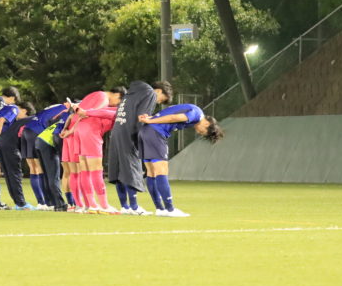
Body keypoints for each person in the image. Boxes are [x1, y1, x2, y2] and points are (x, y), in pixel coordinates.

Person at [138, 103, 224, 217]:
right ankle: (170, 209)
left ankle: (160, 209)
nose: (198, 132)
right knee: (161, 170)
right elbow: (174, 117)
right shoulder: (197, 114)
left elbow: (168, 113)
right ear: (207, 123)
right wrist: (151, 120)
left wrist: (150, 119)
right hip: (156, 132)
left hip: (146, 132)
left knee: (151, 172)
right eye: (202, 131)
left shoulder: (193, 117)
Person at [107, 81, 172, 215]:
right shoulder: (150, 93)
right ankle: (135, 207)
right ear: (159, 91)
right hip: (129, 133)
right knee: (131, 169)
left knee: (119, 170)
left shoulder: (131, 93)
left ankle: (125, 207)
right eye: (161, 99)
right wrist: (139, 139)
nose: (158, 102)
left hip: (116, 132)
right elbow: (142, 118)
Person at [64, 87, 125, 213]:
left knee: (84, 170)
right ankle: (104, 206)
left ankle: (90, 205)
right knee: (96, 170)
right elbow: (94, 112)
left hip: (79, 131)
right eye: (119, 101)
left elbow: (78, 113)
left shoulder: (93, 95)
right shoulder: (105, 98)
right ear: (117, 95)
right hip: (90, 131)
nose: (116, 104)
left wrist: (71, 127)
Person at [21, 103, 66, 210]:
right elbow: (57, 135)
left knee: (42, 172)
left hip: (32, 134)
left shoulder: (56, 109)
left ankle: (46, 203)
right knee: (52, 175)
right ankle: (58, 204)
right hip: (42, 138)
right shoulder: (65, 112)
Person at [0, 101, 35, 210]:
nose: (16, 112)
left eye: (18, 109)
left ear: (25, 110)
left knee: (9, 175)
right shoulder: (30, 120)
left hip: (2, 143)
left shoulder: (21, 121)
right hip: (10, 147)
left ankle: (18, 203)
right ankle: (21, 204)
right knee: (15, 174)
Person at [34, 107, 71, 211]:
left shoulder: (62, 118)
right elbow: (56, 137)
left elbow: (49, 121)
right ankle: (60, 204)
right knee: (53, 176)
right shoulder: (69, 119)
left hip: (40, 140)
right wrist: (62, 154)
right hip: (48, 144)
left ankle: (51, 203)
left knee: (47, 176)